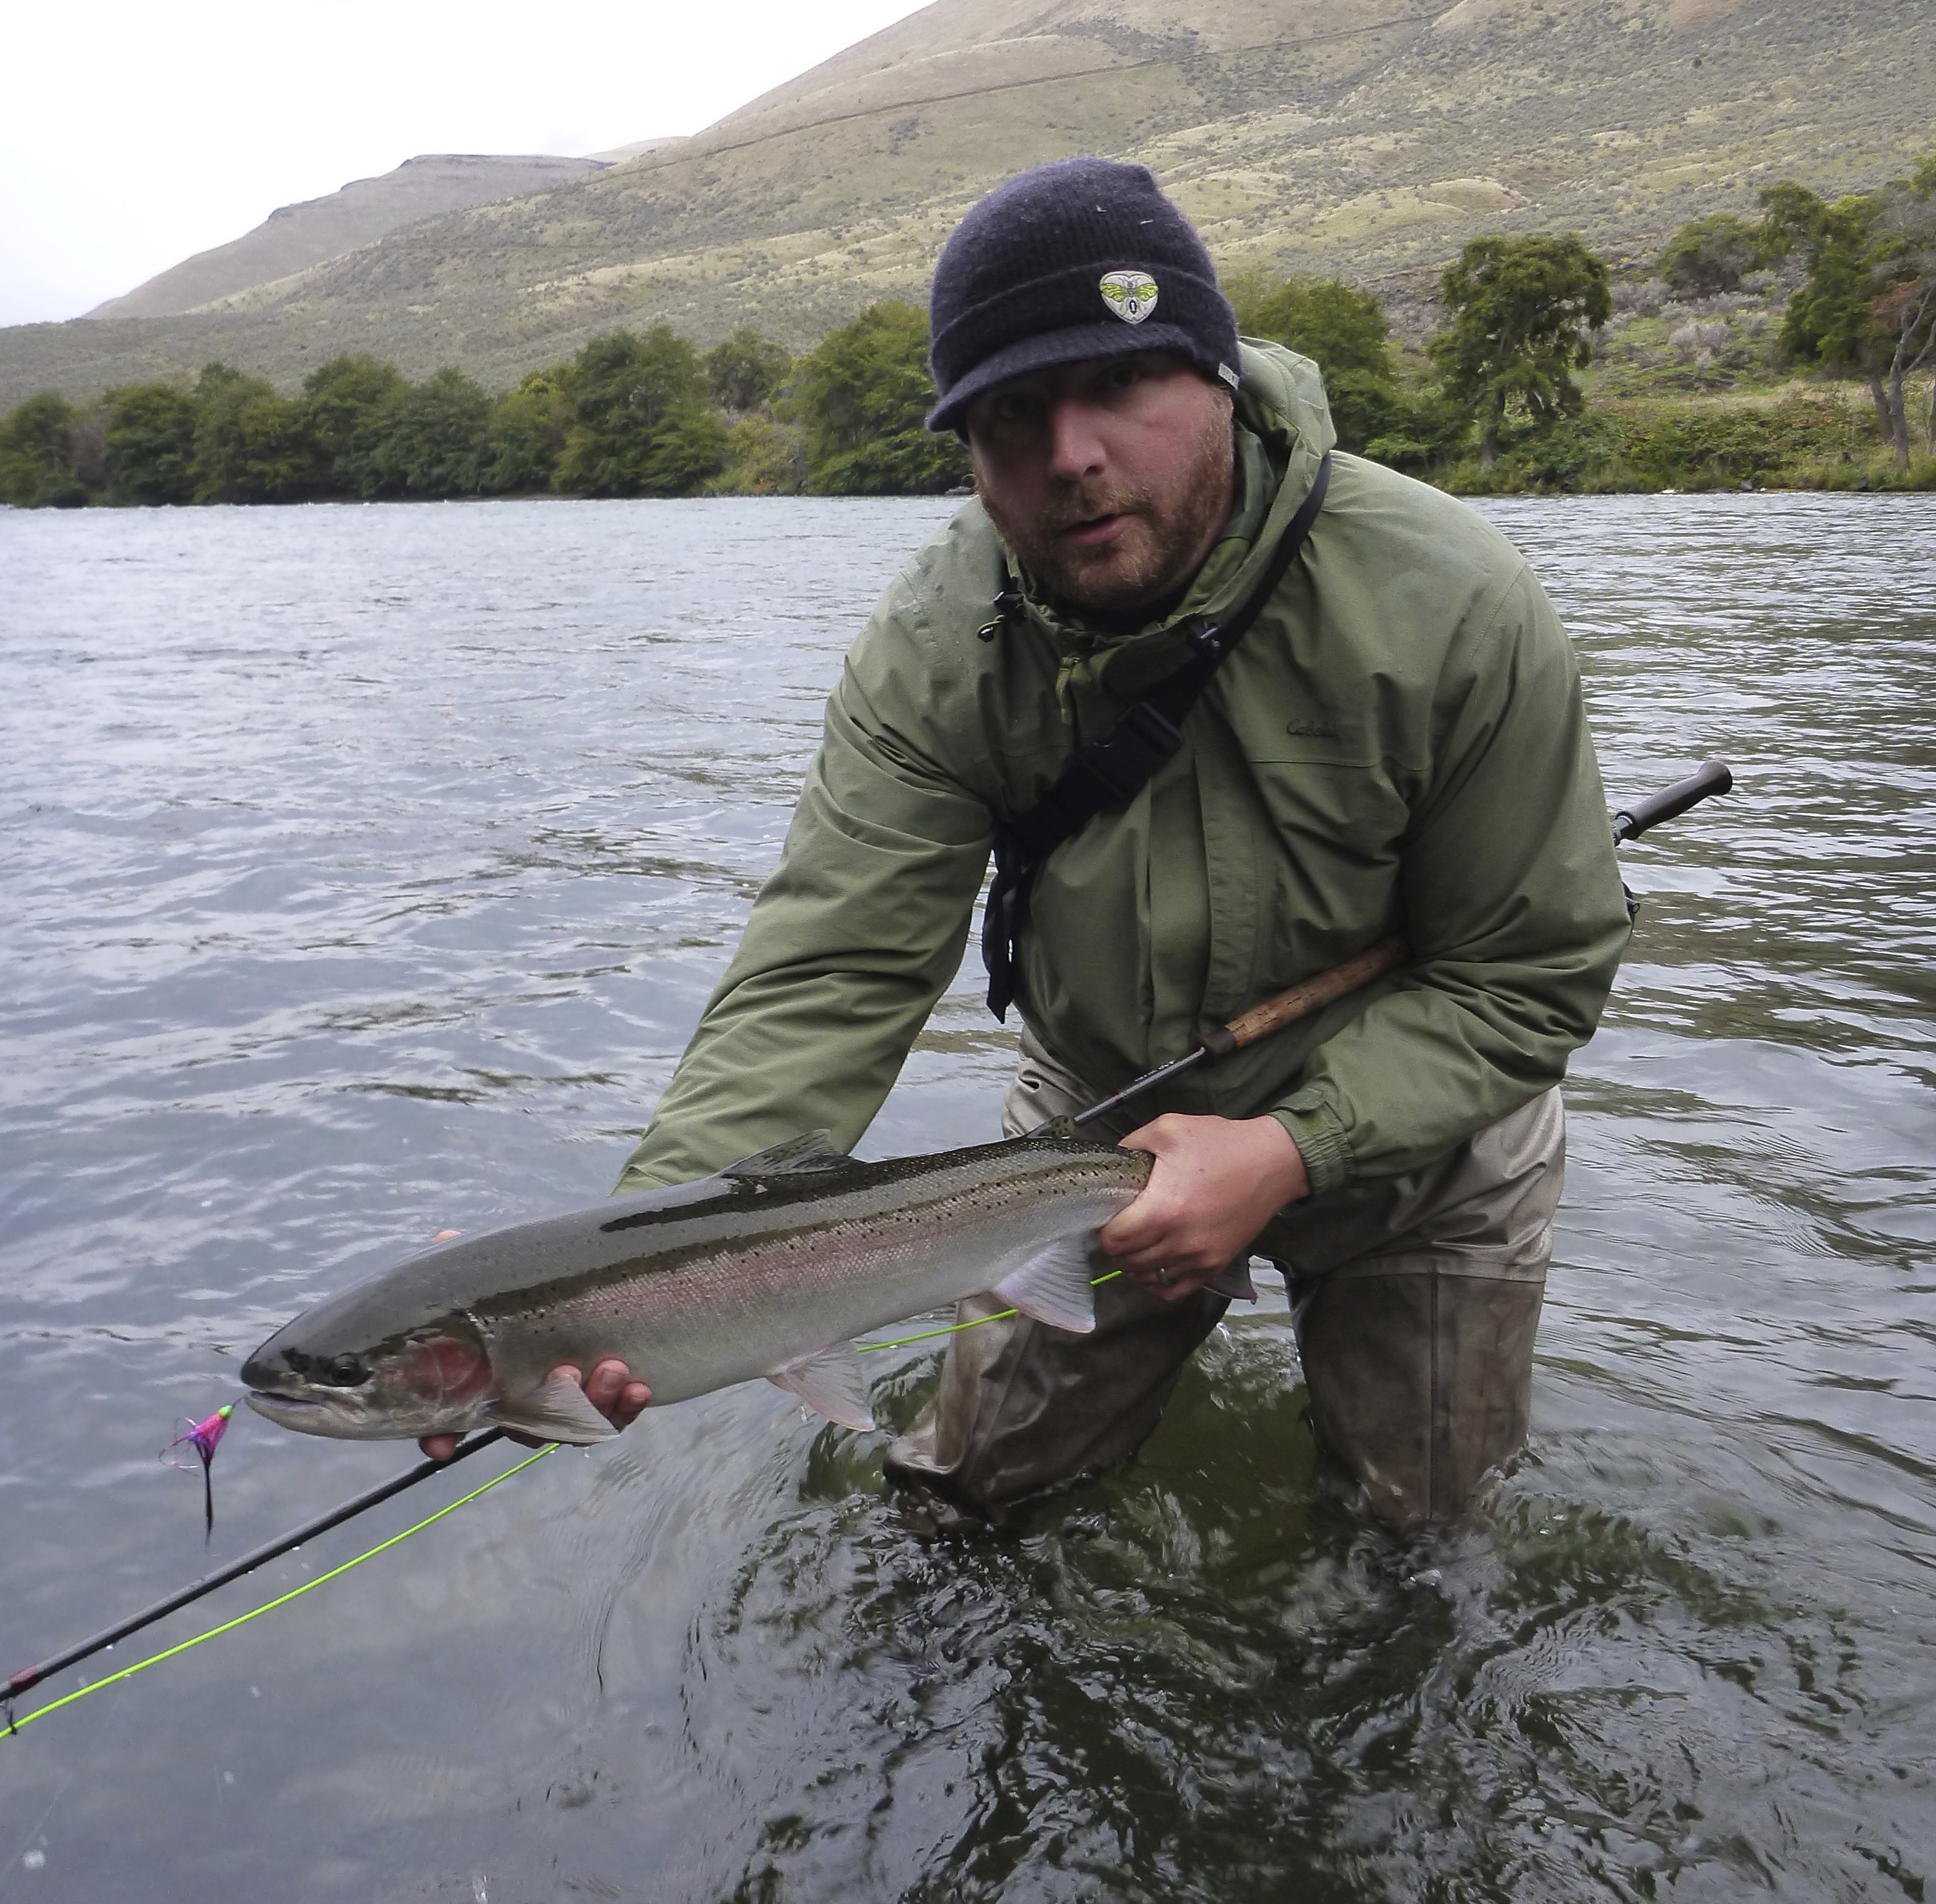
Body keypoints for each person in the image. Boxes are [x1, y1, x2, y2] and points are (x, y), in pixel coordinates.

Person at [439, 157, 1631, 1526]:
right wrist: (609, 1282)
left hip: (1427, 1145)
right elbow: (828, 973)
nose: (1070, 455)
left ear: (1217, 377)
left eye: (1119, 384)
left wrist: (1291, 1148)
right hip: (1094, 1131)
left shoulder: (1455, 601)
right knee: (963, 1511)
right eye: (1013, 412)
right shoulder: (933, 645)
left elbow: (1529, 973)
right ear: (966, 445)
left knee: (1415, 1546)